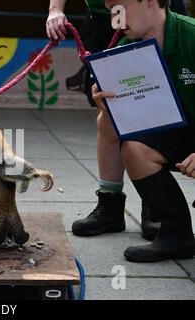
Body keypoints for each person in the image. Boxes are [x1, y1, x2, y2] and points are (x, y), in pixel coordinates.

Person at [46, 0, 188, 241]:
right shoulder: (116, 25)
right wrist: (55, 10)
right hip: (107, 17)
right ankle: (111, 203)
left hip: (149, 12)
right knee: (112, 111)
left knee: (163, 98)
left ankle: (155, 204)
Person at [90, 0, 195, 262]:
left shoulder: (191, 35)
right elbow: (110, 133)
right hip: (179, 133)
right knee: (135, 148)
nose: (114, 19)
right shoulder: (123, 52)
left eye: (119, 9)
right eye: (111, 11)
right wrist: (106, 109)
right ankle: (176, 235)